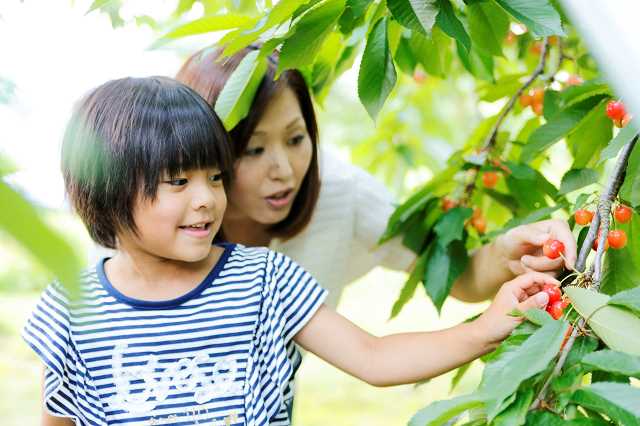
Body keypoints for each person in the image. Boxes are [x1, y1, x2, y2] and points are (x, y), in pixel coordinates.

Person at [24, 76, 558, 426]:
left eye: (215, 176)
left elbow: (373, 358)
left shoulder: (264, 280)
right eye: (177, 181)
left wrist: (487, 326)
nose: (207, 198)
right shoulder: (72, 308)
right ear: (107, 188)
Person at [173, 44, 577, 309]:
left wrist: (507, 252)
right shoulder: (151, 213)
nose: (283, 169)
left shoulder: (342, 194)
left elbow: (459, 276)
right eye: (253, 149)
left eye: (296, 138)